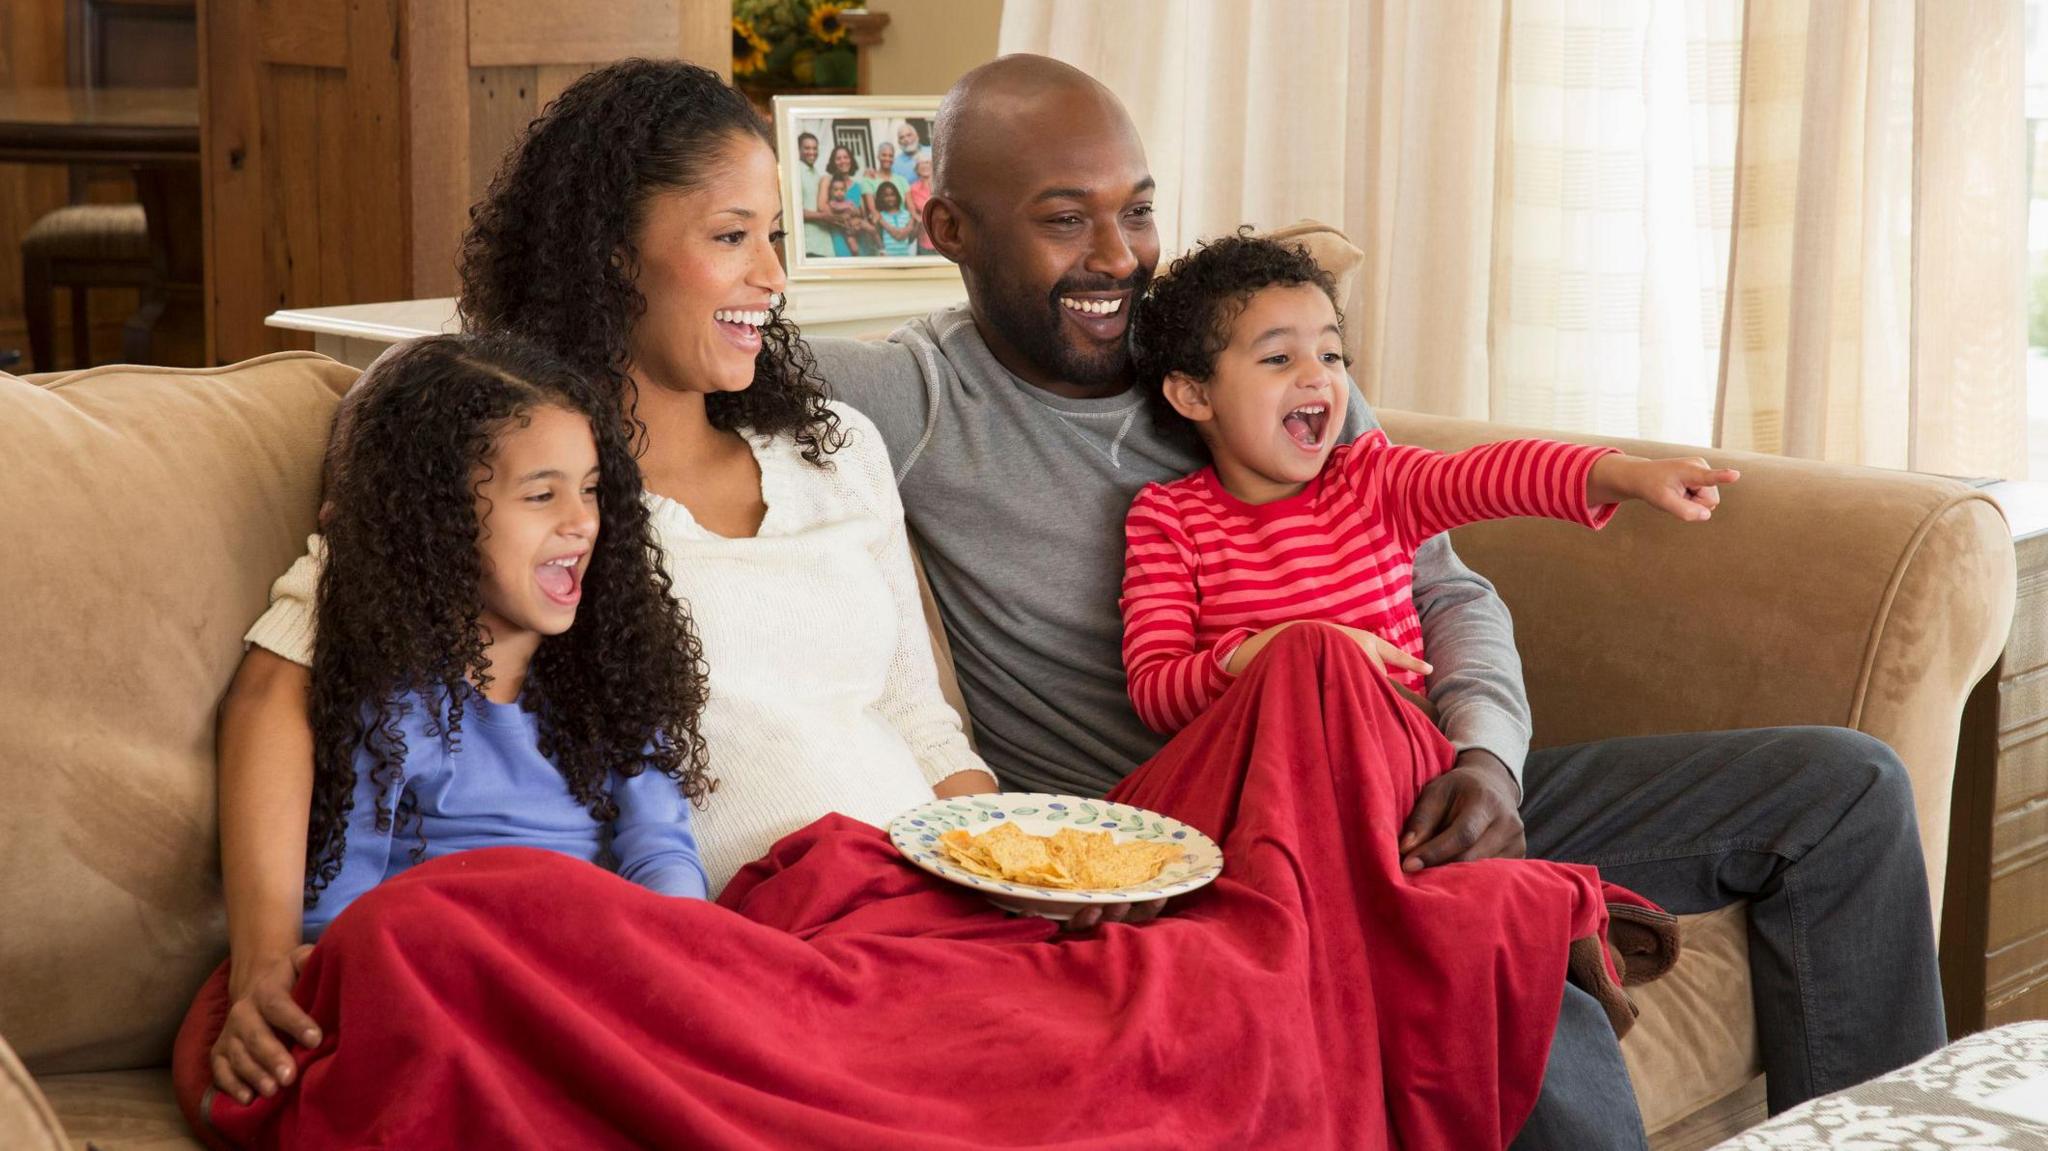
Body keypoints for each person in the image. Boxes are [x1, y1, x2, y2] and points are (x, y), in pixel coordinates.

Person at [191, 58, 1658, 1151]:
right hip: (739, 928)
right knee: (449, 930)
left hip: (938, 890)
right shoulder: (508, 456)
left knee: (1323, 692)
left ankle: (1435, 934)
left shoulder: (827, 441)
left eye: (780, 235)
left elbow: (910, 698)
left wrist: (1014, 850)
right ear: (608, 249)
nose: (776, 276)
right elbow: (288, 680)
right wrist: (268, 950)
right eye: (732, 238)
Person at [810, 53, 1946, 1145]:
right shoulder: (914, 399)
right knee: (1491, 937)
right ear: (947, 227)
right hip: (1217, 842)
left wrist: (1486, 761)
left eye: (1138, 210)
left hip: (1416, 789)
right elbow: (691, 341)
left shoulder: (1267, 358)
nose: (1117, 255)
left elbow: (1446, 586)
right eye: (1065, 219)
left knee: (1840, 790)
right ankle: (1499, 904)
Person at [196, 332, 714, 1107]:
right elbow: (345, 912)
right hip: (467, 972)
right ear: (436, 523)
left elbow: (661, 848)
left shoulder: (612, 673)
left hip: (605, 965)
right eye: (541, 495)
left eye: (594, 489)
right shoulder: (393, 697)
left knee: (832, 870)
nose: (581, 521)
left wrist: (681, 961)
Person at [1119, 232, 1739, 738]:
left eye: (1331, 356)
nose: (1318, 377)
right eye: (1279, 358)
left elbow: (1490, 476)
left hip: (1404, 769)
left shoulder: (1372, 479)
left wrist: (1624, 474)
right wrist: (1287, 649)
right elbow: (1157, 691)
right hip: (1265, 781)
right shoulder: (1168, 520)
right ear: (1195, 393)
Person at [794, 131, 836, 259]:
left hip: (825, 244)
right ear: (798, 149)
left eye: (814, 148)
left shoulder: (817, 174)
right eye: (807, 148)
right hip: (809, 245)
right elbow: (793, 210)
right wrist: (823, 216)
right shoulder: (796, 173)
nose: (812, 152)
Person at [872, 180, 918, 257]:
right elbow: (878, 238)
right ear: (881, 198)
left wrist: (915, 224)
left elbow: (911, 239)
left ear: (897, 195)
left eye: (892, 195)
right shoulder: (880, 216)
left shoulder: (906, 215)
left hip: (905, 256)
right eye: (886, 196)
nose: (890, 198)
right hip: (888, 258)